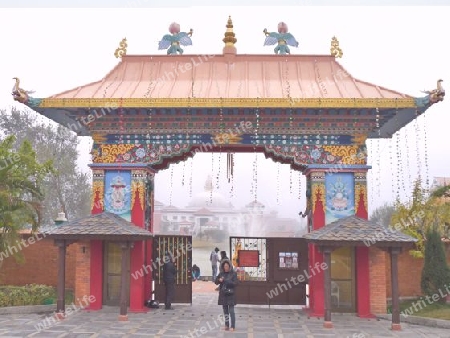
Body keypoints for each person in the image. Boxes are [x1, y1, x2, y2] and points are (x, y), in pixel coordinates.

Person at [215, 259, 238, 331]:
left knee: (231, 311)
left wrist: (225, 280)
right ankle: (226, 325)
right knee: (225, 311)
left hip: (231, 294)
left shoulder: (233, 273)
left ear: (230, 266)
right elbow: (216, 281)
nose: (226, 268)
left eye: (227, 266)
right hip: (223, 294)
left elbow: (235, 283)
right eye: (224, 266)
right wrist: (219, 280)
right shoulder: (221, 273)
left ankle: (233, 326)